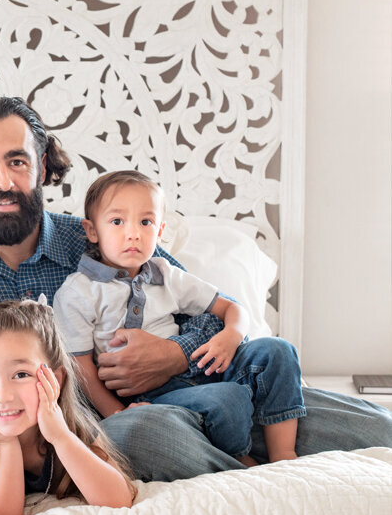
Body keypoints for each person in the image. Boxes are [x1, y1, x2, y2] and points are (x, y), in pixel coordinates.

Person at [0, 95, 392, 482]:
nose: (3, 181)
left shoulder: (98, 239)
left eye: (18, 161)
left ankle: (269, 445)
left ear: (43, 166)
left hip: (184, 393)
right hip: (88, 437)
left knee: (290, 391)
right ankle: (254, 474)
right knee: (137, 433)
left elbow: (204, 309)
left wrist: (170, 353)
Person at [54, 171, 304, 464]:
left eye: (145, 222)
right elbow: (79, 368)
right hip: (150, 396)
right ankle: (240, 461)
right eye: (117, 221)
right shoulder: (79, 291)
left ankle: (284, 457)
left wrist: (231, 335)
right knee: (228, 399)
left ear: (159, 232)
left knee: (279, 351)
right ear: (92, 230)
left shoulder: (165, 274)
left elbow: (231, 308)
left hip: (205, 366)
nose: (133, 233)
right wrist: (116, 413)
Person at [0, 300, 135, 515]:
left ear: (54, 380)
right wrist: (7, 446)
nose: (2, 395)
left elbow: (118, 500)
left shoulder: (71, 426)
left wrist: (61, 437)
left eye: (20, 375)